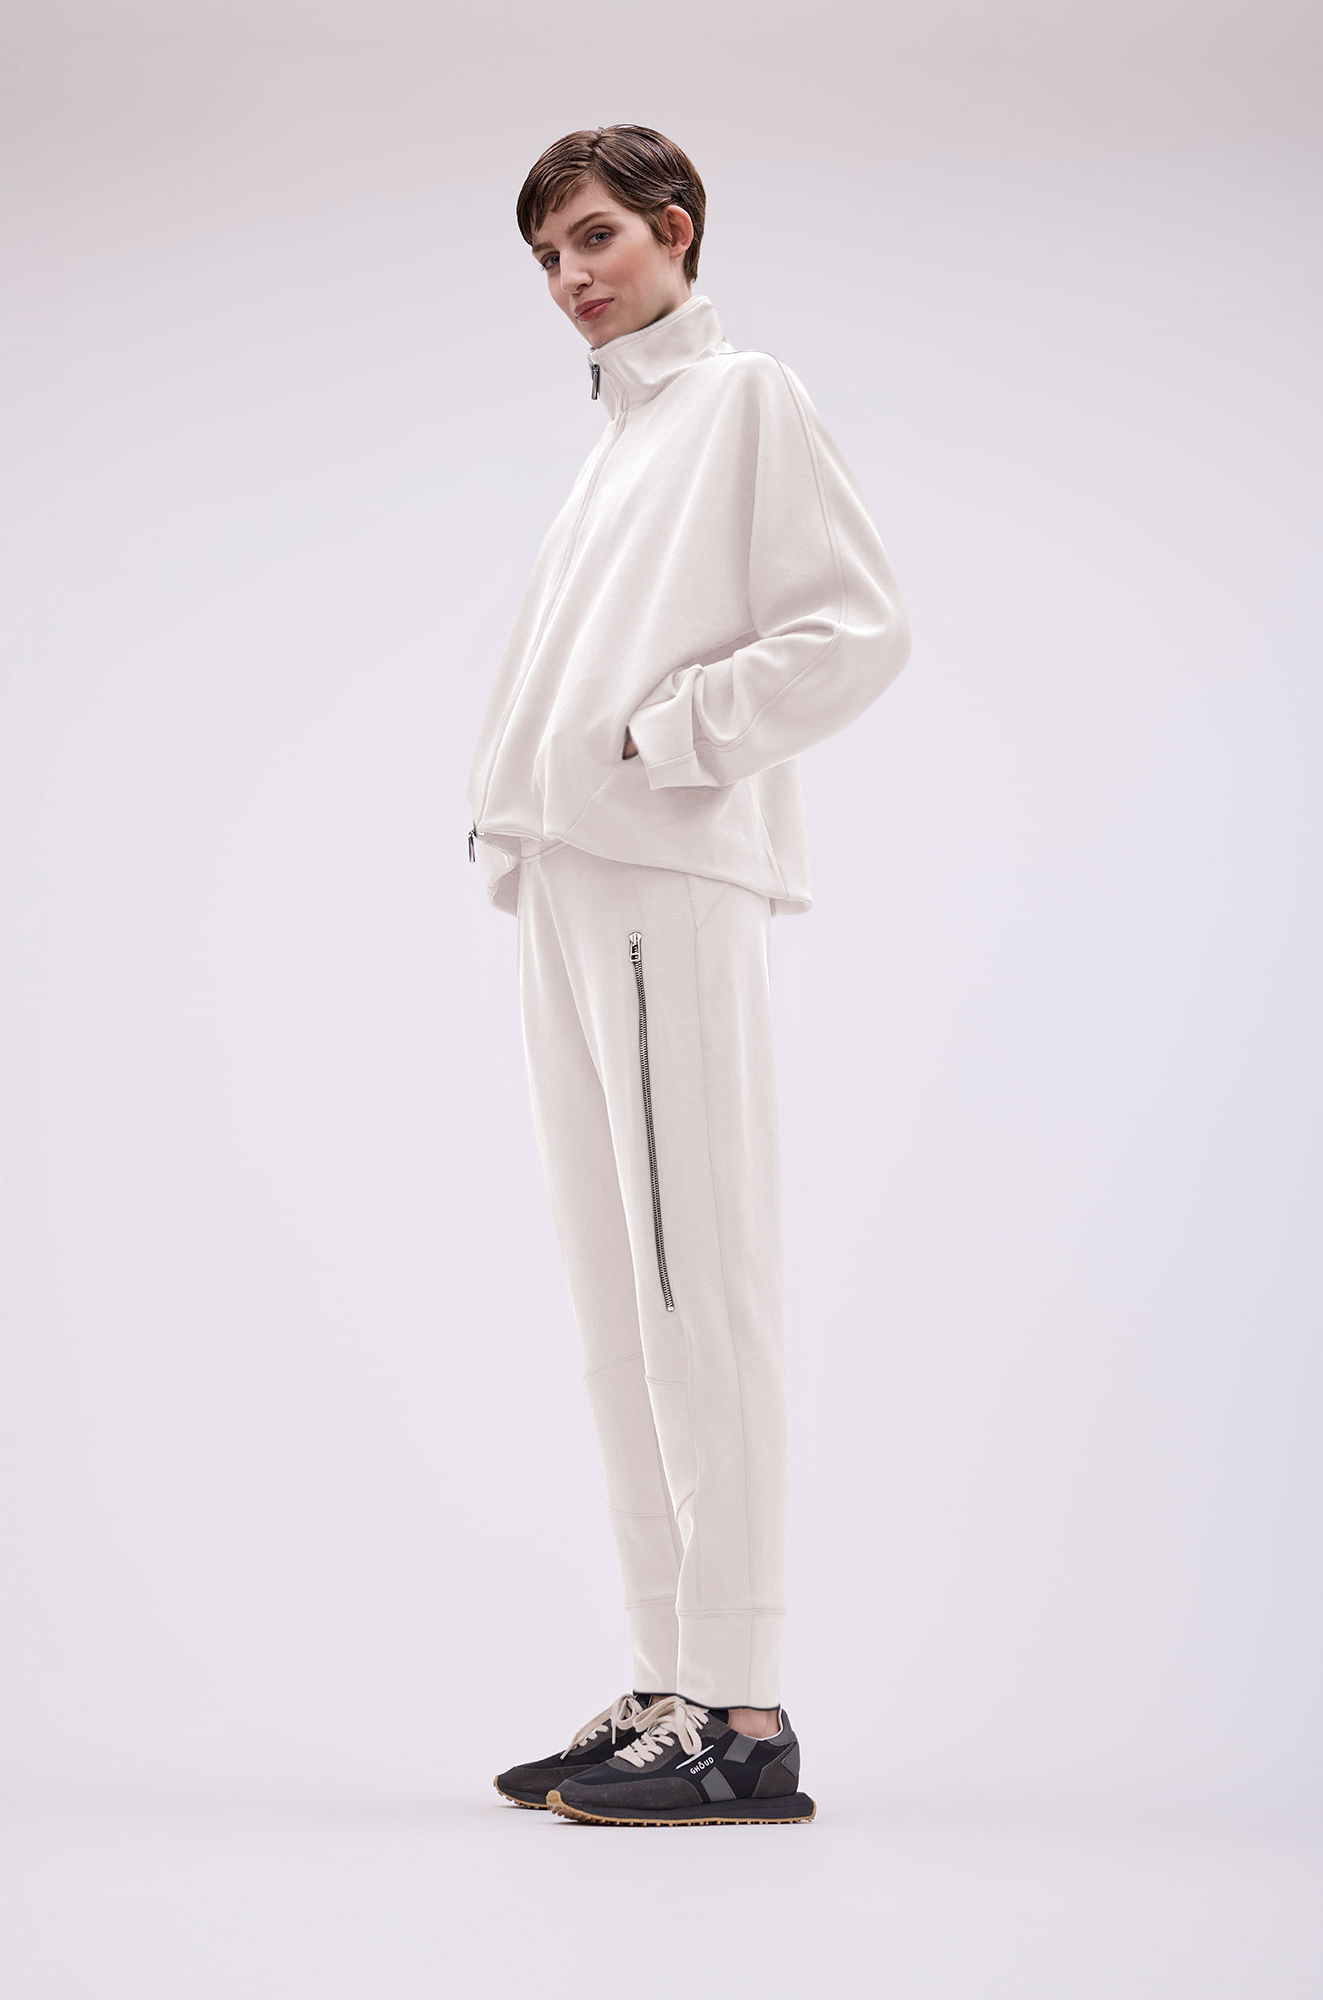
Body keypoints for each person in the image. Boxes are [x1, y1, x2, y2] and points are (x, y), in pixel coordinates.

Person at [467, 125, 910, 1826]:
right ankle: (669, 1681)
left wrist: (669, 739)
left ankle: (747, 1714)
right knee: (615, 1304)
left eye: (593, 238)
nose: (570, 277)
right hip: (566, 877)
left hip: (663, 874)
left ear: (674, 230)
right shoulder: (619, 441)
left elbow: (854, 628)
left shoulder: (741, 400)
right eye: (546, 257)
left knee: (693, 1286)